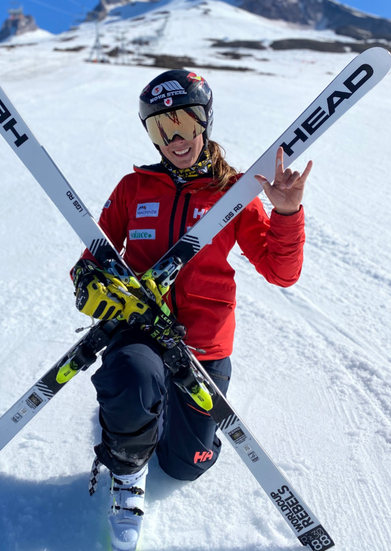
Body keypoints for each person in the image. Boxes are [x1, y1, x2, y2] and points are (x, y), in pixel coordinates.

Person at [71, 70, 312, 551]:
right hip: (140, 331)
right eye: (161, 129)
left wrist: (286, 212)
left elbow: (281, 272)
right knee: (131, 377)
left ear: (205, 122)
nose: (175, 139)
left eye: (184, 124)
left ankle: (145, 419)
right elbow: (90, 262)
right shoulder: (133, 189)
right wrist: (91, 284)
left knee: (186, 465)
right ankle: (126, 462)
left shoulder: (235, 192)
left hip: (203, 345)